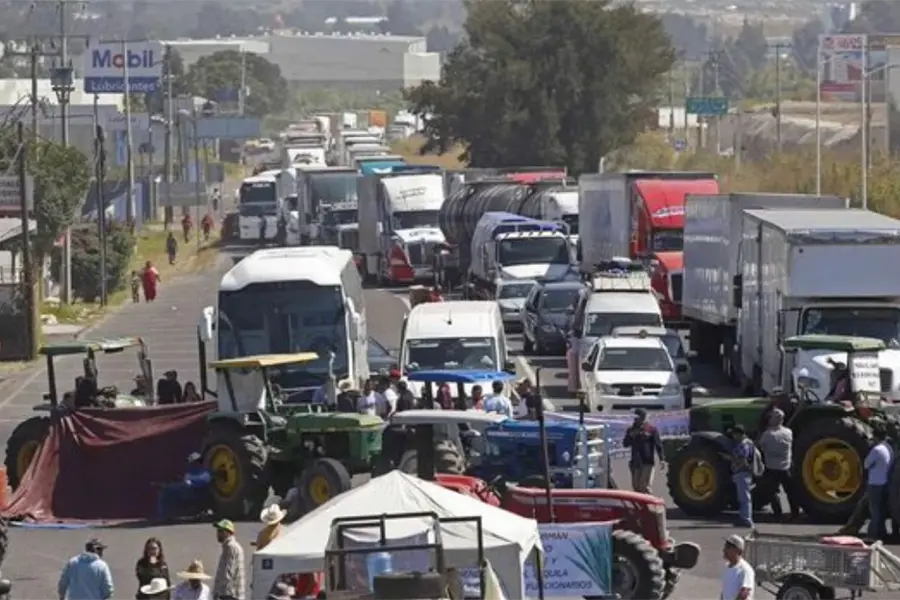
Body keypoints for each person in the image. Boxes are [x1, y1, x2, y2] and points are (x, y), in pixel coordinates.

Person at [757, 408, 799, 521]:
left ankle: (778, 514)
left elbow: (761, 446)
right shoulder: (788, 432)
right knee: (790, 492)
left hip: (772, 468)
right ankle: (795, 513)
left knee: (772, 492)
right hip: (786, 467)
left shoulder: (767, 435)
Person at [156, 453, 212, 521]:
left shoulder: (204, 471)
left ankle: (164, 517)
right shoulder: (194, 470)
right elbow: (186, 480)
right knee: (165, 489)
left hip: (195, 491)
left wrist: (187, 482)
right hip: (188, 489)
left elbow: (202, 482)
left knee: (165, 490)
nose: (190, 464)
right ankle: (167, 516)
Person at [623, 408, 664, 493]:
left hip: (647, 462)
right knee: (636, 487)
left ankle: (649, 505)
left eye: (637, 417)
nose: (635, 419)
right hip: (635, 462)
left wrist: (661, 459)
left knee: (644, 486)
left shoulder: (651, 429)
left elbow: (658, 444)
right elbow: (625, 444)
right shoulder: (631, 429)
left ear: (643, 418)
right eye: (634, 417)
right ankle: (638, 505)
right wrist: (631, 436)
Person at [864, 428, 894, 540]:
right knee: (880, 510)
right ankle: (882, 533)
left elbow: (866, 464)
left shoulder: (876, 450)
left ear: (876, 437)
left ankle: (873, 535)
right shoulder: (888, 448)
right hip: (884, 482)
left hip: (875, 483)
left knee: (874, 511)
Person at [730, 425, 759, 529]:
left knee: (744, 498)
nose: (733, 436)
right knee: (744, 497)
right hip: (744, 473)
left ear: (738, 434)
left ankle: (747, 520)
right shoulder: (749, 443)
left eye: (733, 434)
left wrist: (731, 458)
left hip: (742, 473)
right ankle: (744, 518)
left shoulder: (743, 444)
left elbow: (742, 459)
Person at [213, 520, 245, 600]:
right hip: (235, 593)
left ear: (227, 532)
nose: (217, 533)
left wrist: (217, 592)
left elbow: (228, 572)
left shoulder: (230, 547)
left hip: (229, 594)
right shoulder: (234, 546)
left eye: (220, 531)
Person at [720, 535, 755, 600]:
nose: (724, 550)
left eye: (728, 547)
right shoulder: (727, 567)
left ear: (738, 551)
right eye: (725, 546)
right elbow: (725, 591)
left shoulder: (745, 569)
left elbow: (744, 593)